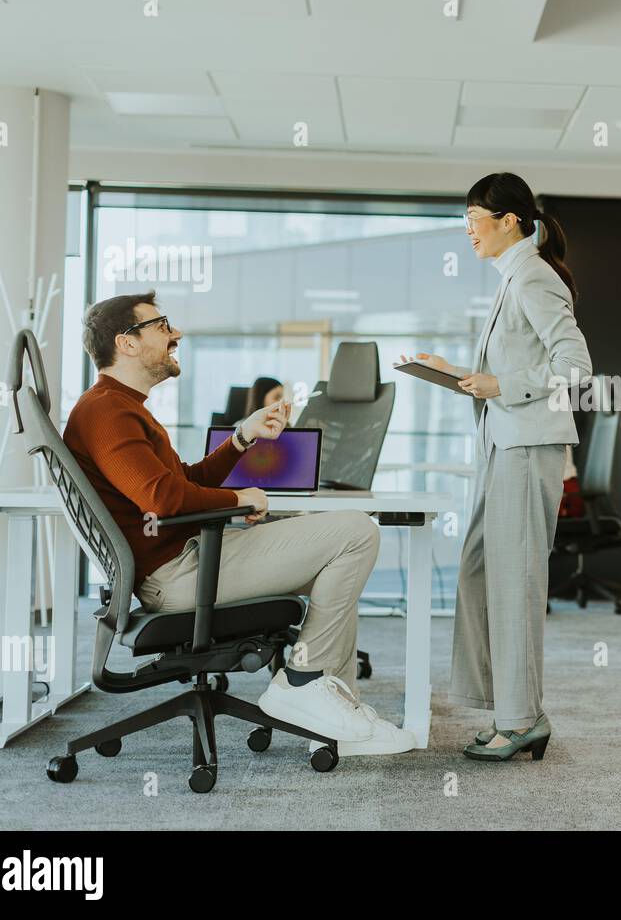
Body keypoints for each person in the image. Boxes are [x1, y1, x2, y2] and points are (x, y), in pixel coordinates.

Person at [64, 291, 412, 757]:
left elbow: (183, 480)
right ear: (126, 343)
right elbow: (163, 499)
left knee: (339, 565)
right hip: (179, 574)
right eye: (162, 325)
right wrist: (237, 497)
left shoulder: (122, 406)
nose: (176, 334)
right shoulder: (106, 411)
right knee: (356, 531)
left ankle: (336, 714)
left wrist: (242, 437)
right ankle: (303, 682)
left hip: (187, 560)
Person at [401, 172, 592, 761]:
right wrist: (455, 371)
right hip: (501, 444)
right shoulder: (513, 279)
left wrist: (502, 384)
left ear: (509, 220)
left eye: (474, 219)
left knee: (515, 581)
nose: (468, 232)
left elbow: (577, 368)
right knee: (481, 572)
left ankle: (521, 719)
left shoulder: (533, 277)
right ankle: (512, 707)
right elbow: (506, 376)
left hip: (525, 447)